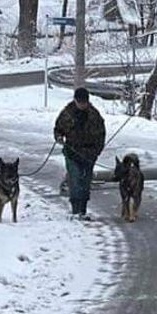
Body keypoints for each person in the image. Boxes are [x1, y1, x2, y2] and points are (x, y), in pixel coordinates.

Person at [54, 86, 106, 217]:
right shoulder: (67, 113)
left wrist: (96, 152)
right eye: (80, 102)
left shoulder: (94, 115)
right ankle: (75, 209)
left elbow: (101, 135)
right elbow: (58, 129)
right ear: (75, 101)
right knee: (75, 179)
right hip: (72, 152)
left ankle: (83, 209)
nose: (82, 105)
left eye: (85, 102)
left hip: (89, 154)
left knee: (85, 182)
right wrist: (59, 137)